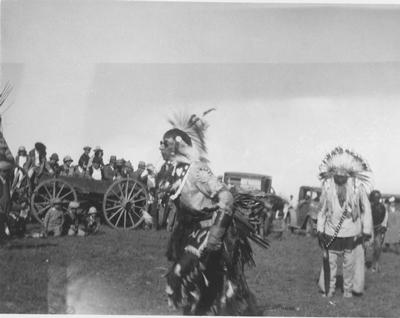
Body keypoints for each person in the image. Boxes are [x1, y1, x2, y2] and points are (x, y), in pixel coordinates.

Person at [159, 109, 261, 315]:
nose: (161, 146)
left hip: (210, 230)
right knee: (196, 281)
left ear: (178, 145)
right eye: (161, 142)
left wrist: (215, 234)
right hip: (188, 232)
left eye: (166, 143)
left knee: (184, 274)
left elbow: (226, 197)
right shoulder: (171, 170)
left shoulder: (197, 170)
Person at [317, 147, 373, 298]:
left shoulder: (357, 188)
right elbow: (322, 210)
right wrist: (319, 229)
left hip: (351, 233)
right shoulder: (327, 187)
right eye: (337, 176)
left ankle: (348, 290)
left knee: (349, 264)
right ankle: (329, 289)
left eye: (343, 176)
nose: (340, 179)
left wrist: (366, 230)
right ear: (333, 175)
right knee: (330, 262)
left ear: (348, 176)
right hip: (330, 232)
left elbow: (366, 208)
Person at [367, 190, 387, 272]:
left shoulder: (382, 207)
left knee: (378, 247)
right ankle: (362, 264)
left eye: (378, 197)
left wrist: (383, 226)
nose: (377, 199)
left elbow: (385, 217)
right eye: (375, 197)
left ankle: (376, 264)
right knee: (366, 248)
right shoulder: (368, 207)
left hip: (378, 229)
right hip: (368, 229)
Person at [0, 160, 12, 244]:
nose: (8, 174)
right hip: (0, 206)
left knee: (4, 222)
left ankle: (3, 240)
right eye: (7, 172)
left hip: (6, 205)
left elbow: (8, 195)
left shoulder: (6, 181)